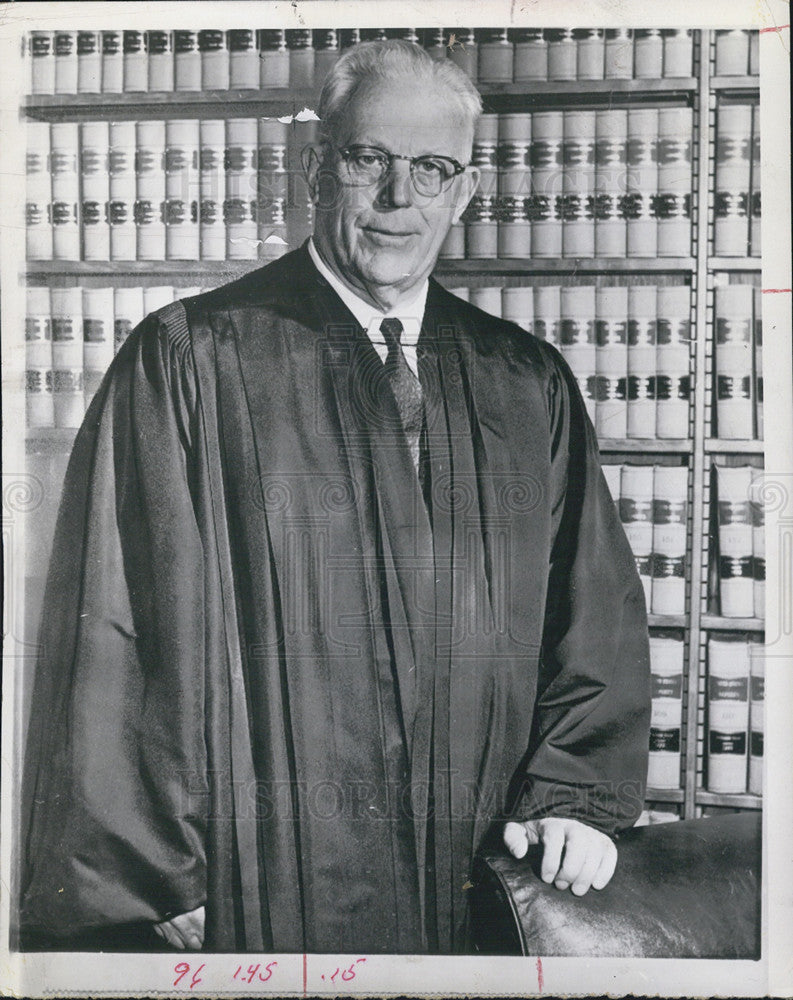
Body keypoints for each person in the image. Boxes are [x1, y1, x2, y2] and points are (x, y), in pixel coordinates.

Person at [20, 39, 650, 955]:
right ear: (316, 168)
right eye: (370, 161)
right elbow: (115, 627)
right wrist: (155, 874)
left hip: (479, 876)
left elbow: (590, 610)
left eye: (431, 170)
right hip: (261, 876)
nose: (400, 200)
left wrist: (573, 796)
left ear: (465, 194)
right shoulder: (194, 359)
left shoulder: (523, 381)